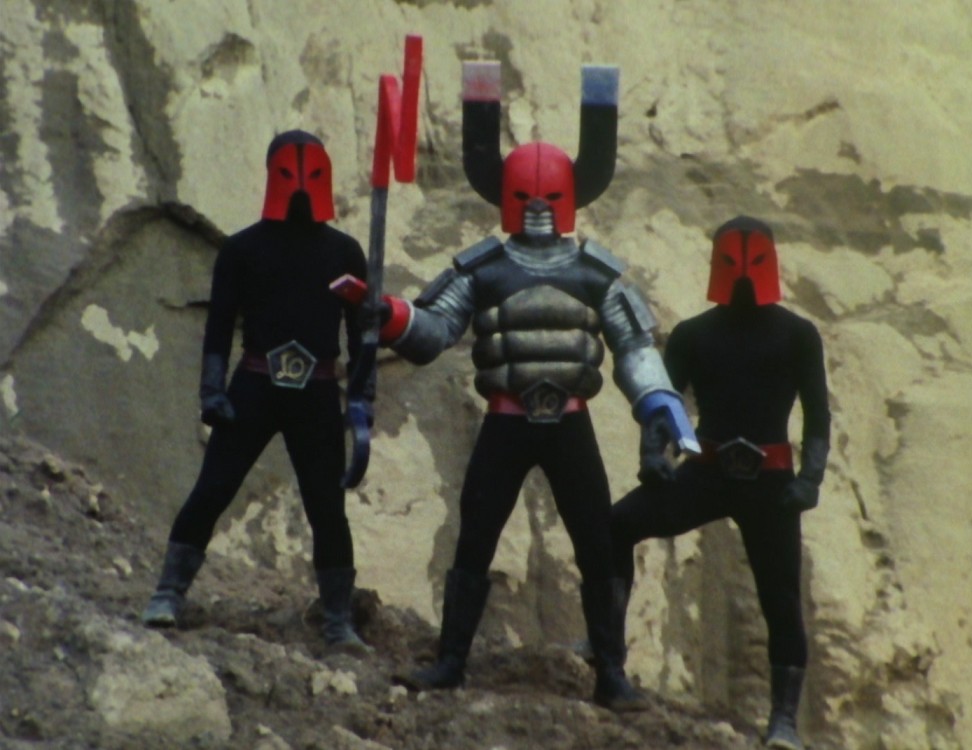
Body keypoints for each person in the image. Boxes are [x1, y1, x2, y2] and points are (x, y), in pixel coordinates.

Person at [371, 62, 698, 712]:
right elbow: (434, 331)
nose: (540, 208)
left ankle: (611, 673)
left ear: (570, 195)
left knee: (597, 546)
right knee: (475, 539)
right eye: (527, 196)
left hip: (570, 420)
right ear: (507, 195)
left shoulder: (596, 272)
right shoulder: (483, 269)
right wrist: (394, 316)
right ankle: (450, 662)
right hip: (506, 418)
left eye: (550, 197)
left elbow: (635, 348)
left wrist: (659, 403)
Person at [141, 130, 371, 652]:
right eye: (290, 173)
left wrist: (363, 392)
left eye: (312, 173)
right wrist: (211, 390)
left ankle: (338, 620)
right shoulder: (242, 249)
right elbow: (220, 324)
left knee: (327, 507)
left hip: (316, 391)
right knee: (213, 488)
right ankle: (168, 592)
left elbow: (359, 333)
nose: (301, 185)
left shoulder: (344, 252)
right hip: (255, 383)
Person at [609, 216, 831, 749]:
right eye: (733, 260)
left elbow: (818, 416)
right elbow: (662, 405)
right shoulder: (693, 335)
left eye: (754, 261)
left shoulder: (798, 336)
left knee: (780, 597)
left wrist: (810, 479)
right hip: (704, 472)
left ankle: (783, 721)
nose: (744, 273)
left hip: (770, 482)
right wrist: (653, 456)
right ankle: (605, 649)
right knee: (616, 525)